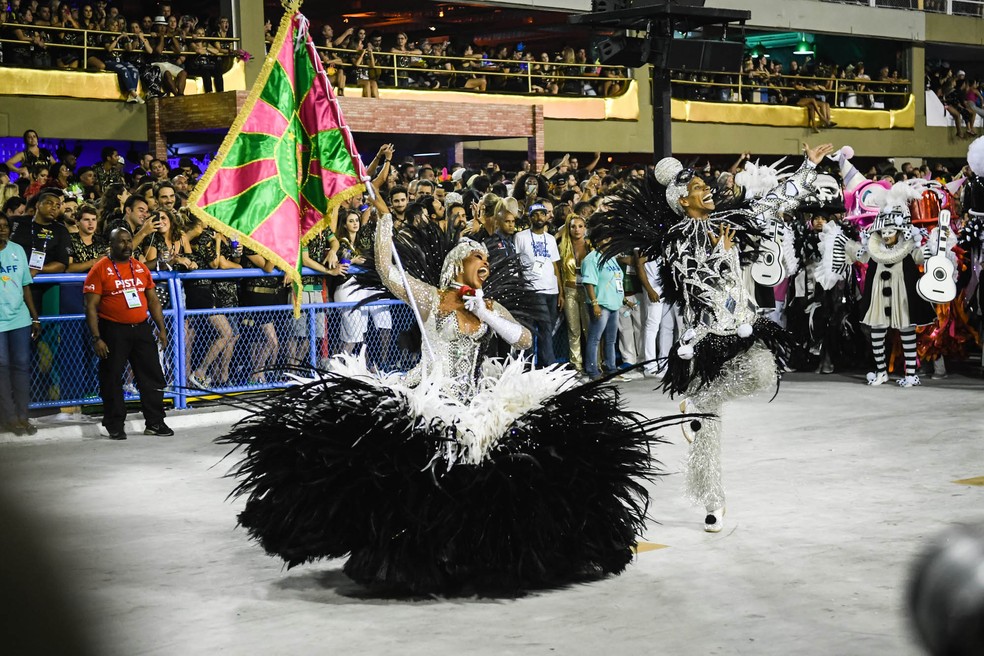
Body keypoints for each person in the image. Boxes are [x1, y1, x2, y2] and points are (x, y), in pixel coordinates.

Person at [217, 191, 677, 594]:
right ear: (461, 264)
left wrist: (488, 312)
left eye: (490, 265)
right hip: (429, 397)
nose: (488, 268)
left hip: (476, 400)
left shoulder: (488, 303)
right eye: (482, 262)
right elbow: (387, 271)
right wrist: (384, 220)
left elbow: (525, 341)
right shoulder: (433, 297)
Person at [592, 142, 833, 532]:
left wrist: (809, 166)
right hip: (703, 339)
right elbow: (691, 279)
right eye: (701, 187)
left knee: (762, 375)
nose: (709, 191)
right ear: (683, 199)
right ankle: (714, 501)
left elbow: (771, 204)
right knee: (709, 429)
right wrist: (722, 254)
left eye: (707, 185)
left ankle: (699, 401)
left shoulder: (728, 221)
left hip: (742, 326)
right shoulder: (675, 238)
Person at [83, 228, 172, 440]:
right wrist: (97, 338)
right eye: (121, 242)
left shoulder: (140, 268)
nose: (126, 246)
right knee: (112, 378)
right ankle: (115, 425)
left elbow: (153, 301)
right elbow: (91, 307)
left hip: (141, 328)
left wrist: (161, 328)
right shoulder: (100, 269)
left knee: (152, 377)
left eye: (129, 241)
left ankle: (155, 422)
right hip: (113, 330)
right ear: (111, 245)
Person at [0, 215, 42, 436]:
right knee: (2, 368)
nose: (2, 230)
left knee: (21, 366)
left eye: (5, 226)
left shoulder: (17, 249)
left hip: (20, 319)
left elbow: (26, 286)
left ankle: (23, 416)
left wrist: (35, 317)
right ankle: (9, 417)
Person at [513, 202, 563, 367]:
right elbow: (516, 264)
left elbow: (556, 266)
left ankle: (543, 364)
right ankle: (542, 364)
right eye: (535, 214)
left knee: (546, 329)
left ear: (547, 216)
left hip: (552, 290)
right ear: (530, 217)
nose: (539, 217)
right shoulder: (521, 237)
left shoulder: (550, 239)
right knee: (540, 327)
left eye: (542, 214)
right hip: (533, 289)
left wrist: (560, 292)